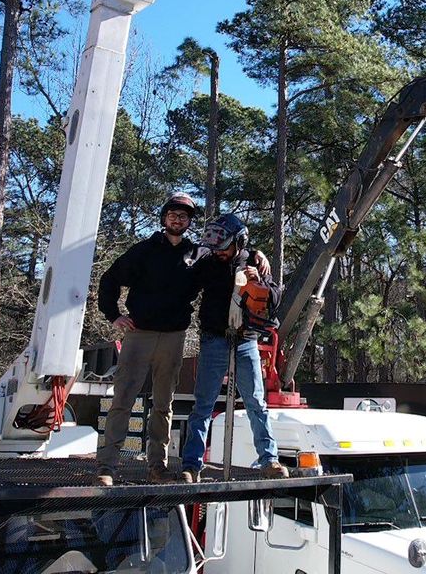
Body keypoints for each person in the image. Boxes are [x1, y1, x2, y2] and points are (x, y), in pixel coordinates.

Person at [94, 192, 200, 484]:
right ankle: (107, 467)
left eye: (183, 216)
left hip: (174, 337)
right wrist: (113, 315)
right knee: (123, 400)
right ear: (164, 218)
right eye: (173, 215)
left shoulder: (196, 254)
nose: (177, 220)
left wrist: (255, 257)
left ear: (189, 222)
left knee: (164, 404)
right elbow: (110, 279)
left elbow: (226, 265)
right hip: (138, 335)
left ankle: (158, 467)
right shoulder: (143, 251)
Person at [180, 213, 289, 482]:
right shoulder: (207, 261)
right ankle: (191, 465)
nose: (219, 252)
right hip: (214, 338)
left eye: (225, 247)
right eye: (216, 247)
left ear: (239, 242)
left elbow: (275, 298)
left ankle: (269, 460)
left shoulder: (254, 262)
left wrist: (260, 280)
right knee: (203, 405)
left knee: (256, 403)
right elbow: (186, 285)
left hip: (246, 341)